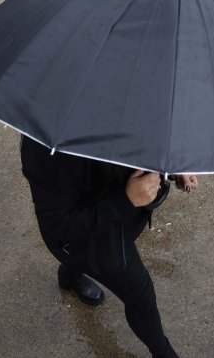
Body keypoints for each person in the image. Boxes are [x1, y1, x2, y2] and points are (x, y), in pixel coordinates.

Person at [20, 136, 198, 358]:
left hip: (122, 220)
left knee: (87, 264)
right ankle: (163, 353)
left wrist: (168, 167)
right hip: (85, 240)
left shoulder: (134, 110)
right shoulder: (45, 148)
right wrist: (125, 200)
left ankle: (69, 274)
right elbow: (59, 226)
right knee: (140, 294)